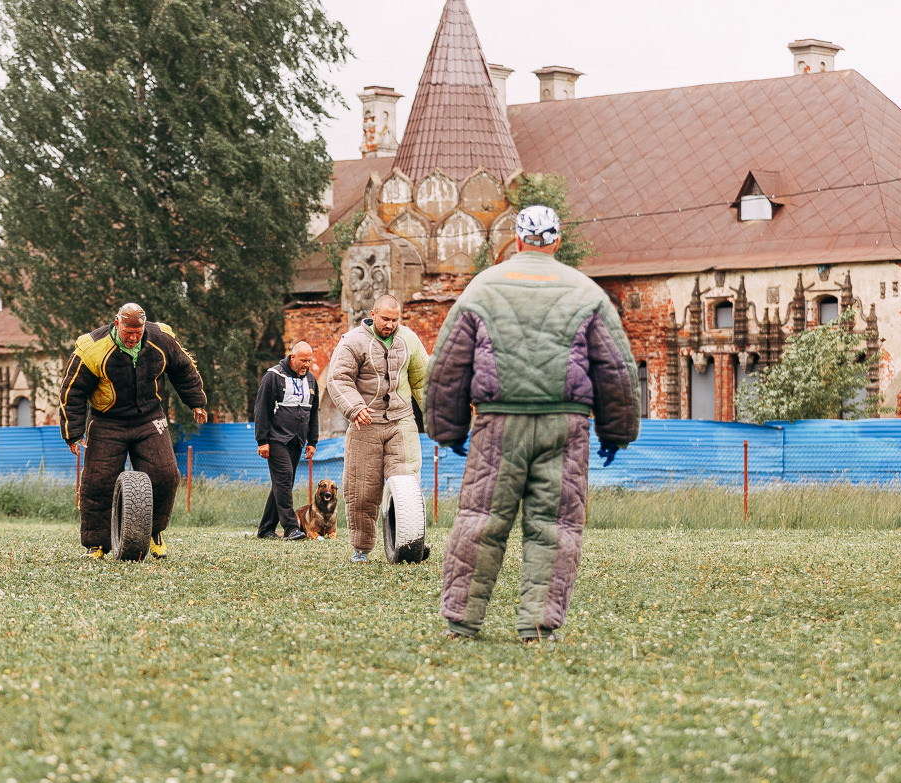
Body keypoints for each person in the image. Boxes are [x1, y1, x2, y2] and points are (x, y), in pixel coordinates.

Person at [426, 205, 640, 643]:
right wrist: (616, 431)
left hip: (497, 424)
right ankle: (539, 627)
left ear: (517, 240)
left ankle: (461, 622)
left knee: (481, 519)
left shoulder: (482, 288)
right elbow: (617, 369)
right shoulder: (587, 291)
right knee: (555, 527)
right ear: (557, 241)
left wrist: (448, 431)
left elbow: (446, 367)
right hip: (566, 426)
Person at [60, 303, 207, 560]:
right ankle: (96, 545)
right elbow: (72, 390)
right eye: (128, 331)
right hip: (107, 421)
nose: (132, 337)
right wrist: (72, 433)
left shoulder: (162, 338)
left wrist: (197, 402)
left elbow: (184, 369)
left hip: (149, 418)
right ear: (117, 323)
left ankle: (154, 533)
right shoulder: (92, 347)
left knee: (166, 475)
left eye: (137, 332)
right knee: (97, 482)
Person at [326, 293, 429, 563]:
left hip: (401, 421)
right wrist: (355, 408)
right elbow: (338, 379)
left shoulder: (409, 340)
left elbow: (423, 381)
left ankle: (410, 543)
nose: (390, 324)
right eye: (385, 319)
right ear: (373, 314)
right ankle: (361, 549)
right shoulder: (353, 342)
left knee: (406, 486)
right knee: (362, 490)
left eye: (395, 320)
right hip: (365, 424)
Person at [253, 341, 319, 540]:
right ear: (292, 358)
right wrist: (262, 440)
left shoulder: (311, 380)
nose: (306, 364)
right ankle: (291, 528)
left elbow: (313, 412)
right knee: (284, 478)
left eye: (309, 360)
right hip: (276, 438)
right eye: (303, 360)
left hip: (297, 440)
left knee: (283, 483)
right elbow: (261, 410)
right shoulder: (273, 376)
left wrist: (313, 441)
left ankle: (265, 529)